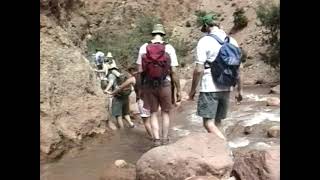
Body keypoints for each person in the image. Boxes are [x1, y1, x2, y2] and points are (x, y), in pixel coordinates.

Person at [188, 14, 243, 140]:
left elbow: (198, 69)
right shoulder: (232, 41)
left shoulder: (204, 41)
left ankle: (226, 148)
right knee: (218, 122)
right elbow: (239, 68)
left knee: (208, 123)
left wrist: (192, 91)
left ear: (206, 26)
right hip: (226, 86)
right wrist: (240, 90)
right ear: (219, 25)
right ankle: (220, 152)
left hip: (209, 86)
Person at [136, 24, 181, 146]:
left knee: (153, 112)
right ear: (162, 35)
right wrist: (178, 90)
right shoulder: (169, 48)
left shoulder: (143, 47)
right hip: (165, 83)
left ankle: (156, 140)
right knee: (166, 112)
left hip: (149, 84)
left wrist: (139, 90)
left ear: (153, 34)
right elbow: (174, 71)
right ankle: (165, 139)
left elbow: (139, 72)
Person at [109, 65, 153, 138]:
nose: (129, 74)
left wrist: (112, 93)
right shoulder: (146, 75)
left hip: (142, 100)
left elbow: (120, 87)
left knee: (146, 122)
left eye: (129, 72)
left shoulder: (132, 78)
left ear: (132, 71)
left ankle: (154, 138)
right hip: (152, 99)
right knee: (152, 119)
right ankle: (157, 136)